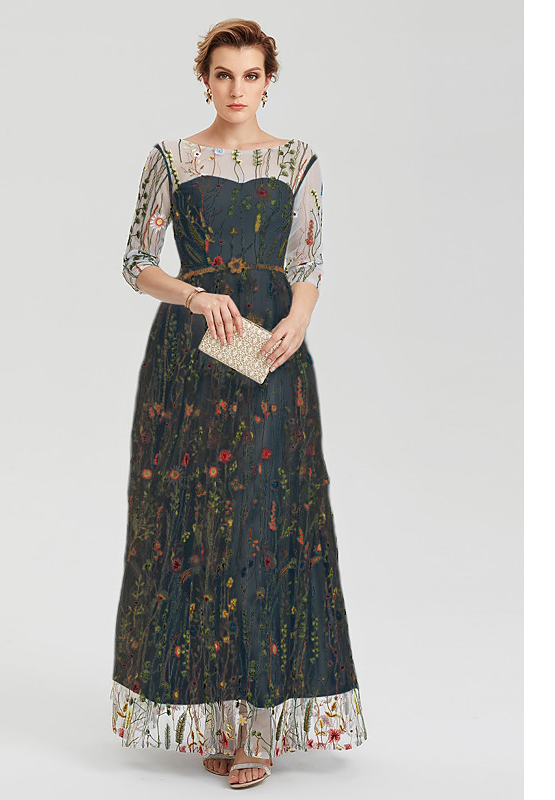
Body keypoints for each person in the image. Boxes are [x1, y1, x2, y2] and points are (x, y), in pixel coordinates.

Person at [110, 17, 368, 789]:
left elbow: (309, 261)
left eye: (250, 75)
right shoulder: (171, 158)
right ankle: (219, 717)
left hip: (269, 354)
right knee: (197, 525)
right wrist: (193, 296)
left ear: (267, 80)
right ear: (205, 80)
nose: (236, 89)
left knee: (263, 520)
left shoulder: (296, 160)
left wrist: (297, 321)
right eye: (223, 74)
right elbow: (135, 261)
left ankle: (260, 723)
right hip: (189, 360)